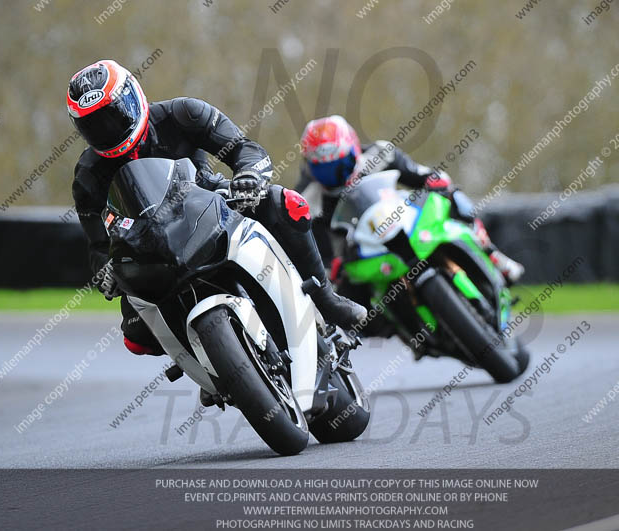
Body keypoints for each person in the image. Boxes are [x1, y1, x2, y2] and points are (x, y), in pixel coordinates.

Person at [67, 60, 366, 360]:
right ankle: (210, 362)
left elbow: (244, 148)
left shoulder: (183, 113)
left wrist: (249, 176)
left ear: (133, 97)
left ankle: (325, 298)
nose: (107, 129)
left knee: (286, 202)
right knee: (137, 339)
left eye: (113, 115)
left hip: (212, 203)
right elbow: (98, 245)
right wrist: (106, 271)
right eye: (94, 125)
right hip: (149, 247)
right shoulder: (88, 176)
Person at [295, 115, 525, 283]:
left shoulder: (379, 154)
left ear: (353, 148)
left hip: (401, 220)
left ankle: (492, 253)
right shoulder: (306, 199)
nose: (333, 174)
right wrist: (332, 267)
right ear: (309, 165)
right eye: (322, 168)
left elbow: (422, 175)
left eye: (339, 164)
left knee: (454, 194)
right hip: (362, 252)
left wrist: (436, 182)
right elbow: (318, 254)